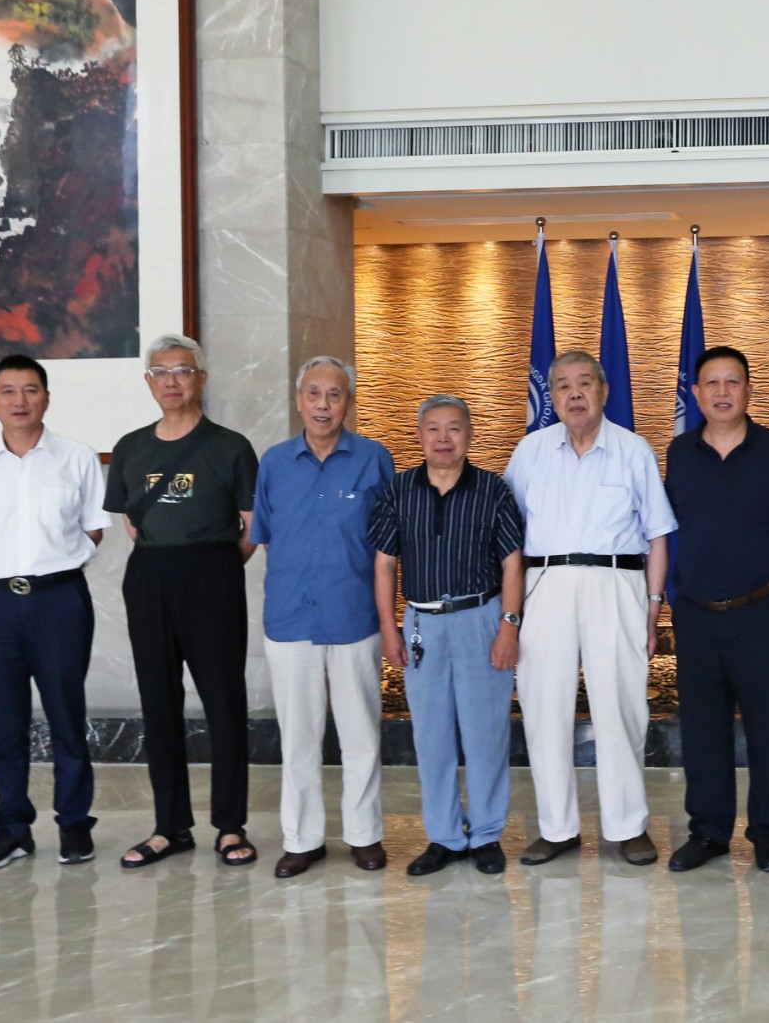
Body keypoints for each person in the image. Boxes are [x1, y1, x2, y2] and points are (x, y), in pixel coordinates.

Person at [506, 350, 676, 867]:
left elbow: (658, 535)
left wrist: (653, 605)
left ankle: (628, 826)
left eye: (584, 383)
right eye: (562, 385)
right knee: (544, 708)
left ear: (604, 391)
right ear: (552, 396)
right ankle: (556, 828)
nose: (574, 394)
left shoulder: (633, 450)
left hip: (617, 584)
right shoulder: (531, 451)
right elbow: (506, 536)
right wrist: (509, 612)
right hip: (545, 585)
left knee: (621, 707)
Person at [0, 354, 111, 870]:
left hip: (59, 600)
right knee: (3, 720)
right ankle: (12, 829)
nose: (20, 401)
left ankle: (75, 825)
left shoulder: (77, 458)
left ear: (47, 397)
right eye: (9, 391)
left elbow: (93, 530)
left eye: (31, 390)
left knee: (66, 713)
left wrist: (47, 571)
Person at [106, 335, 261, 869]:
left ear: (201, 379)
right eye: (160, 372)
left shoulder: (231, 446)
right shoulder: (130, 448)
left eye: (182, 370)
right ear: (148, 382)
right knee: (158, 702)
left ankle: (230, 825)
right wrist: (168, 560)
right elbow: (131, 522)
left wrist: (213, 567)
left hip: (213, 576)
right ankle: (169, 826)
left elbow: (251, 526)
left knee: (224, 702)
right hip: (150, 577)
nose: (171, 381)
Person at [250, 355, 396, 878]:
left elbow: (387, 546)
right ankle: (302, 838)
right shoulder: (273, 462)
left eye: (334, 395)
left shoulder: (374, 459)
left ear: (348, 402)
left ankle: (364, 835)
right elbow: (267, 537)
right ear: (298, 400)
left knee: (361, 735)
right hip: (290, 618)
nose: (323, 405)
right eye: (313, 394)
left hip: (354, 616)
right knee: (298, 737)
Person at [369, 394, 526, 876]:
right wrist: (389, 628)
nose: (443, 438)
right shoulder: (398, 490)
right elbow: (384, 564)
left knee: (486, 734)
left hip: (482, 618)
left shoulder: (493, 490)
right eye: (433, 429)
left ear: (469, 435)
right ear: (420, 436)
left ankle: (486, 835)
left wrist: (509, 627)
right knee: (431, 737)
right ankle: (444, 836)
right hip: (422, 624)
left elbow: (513, 564)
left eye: (453, 428)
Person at [663, 347, 769, 873]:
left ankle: (768, 833)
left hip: (760, 611)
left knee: (767, 728)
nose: (722, 392)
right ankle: (708, 832)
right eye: (712, 383)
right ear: (696, 393)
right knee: (702, 729)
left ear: (748, 391)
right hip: (696, 613)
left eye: (733, 382)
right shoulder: (679, 453)